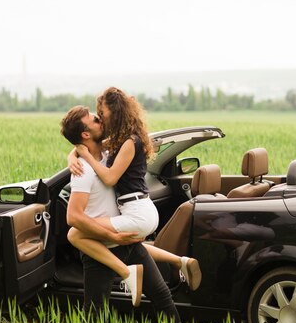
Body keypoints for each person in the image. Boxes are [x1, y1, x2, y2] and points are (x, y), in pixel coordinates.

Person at [62, 98, 201, 306]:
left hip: (126, 222)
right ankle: (178, 261)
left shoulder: (117, 148)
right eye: (96, 119)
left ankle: (126, 272)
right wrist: (73, 155)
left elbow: (104, 181)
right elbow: (85, 148)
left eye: (101, 116)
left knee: (74, 234)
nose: (101, 120)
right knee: (157, 287)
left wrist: (112, 236)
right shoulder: (107, 152)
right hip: (136, 215)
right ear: (85, 134)